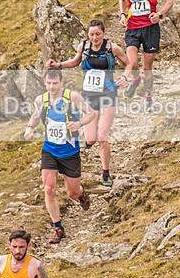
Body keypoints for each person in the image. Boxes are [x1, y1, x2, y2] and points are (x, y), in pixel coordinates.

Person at [47, 19, 132, 187]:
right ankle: (89, 140)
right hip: (88, 97)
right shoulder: (83, 47)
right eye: (91, 34)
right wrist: (59, 65)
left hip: (108, 95)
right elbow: (75, 61)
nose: (95, 38)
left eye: (98, 34)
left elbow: (129, 63)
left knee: (102, 138)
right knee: (91, 139)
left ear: (104, 33)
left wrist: (124, 76)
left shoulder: (112, 48)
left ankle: (106, 173)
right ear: (88, 34)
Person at [24, 68, 95, 243]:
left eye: (55, 83)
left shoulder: (73, 97)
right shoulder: (41, 100)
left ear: (62, 82)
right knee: (49, 188)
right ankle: (58, 228)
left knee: (72, 192)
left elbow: (91, 113)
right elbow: (35, 116)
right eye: (48, 83)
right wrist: (30, 128)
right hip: (50, 149)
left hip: (70, 151)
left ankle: (81, 195)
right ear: (44, 83)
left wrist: (79, 123)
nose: (52, 87)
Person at [119, 0, 173, 111]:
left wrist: (159, 14)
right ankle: (136, 81)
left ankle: (148, 96)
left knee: (147, 68)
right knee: (133, 63)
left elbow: (169, 0)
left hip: (150, 29)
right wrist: (122, 14)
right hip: (133, 28)